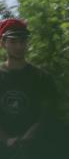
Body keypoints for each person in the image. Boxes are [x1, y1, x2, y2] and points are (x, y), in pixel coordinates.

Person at [0, 18, 57, 149]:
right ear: (3, 43)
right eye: (13, 42)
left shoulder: (42, 78)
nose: (19, 46)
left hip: (36, 150)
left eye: (22, 41)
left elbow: (48, 113)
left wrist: (30, 136)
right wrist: (6, 139)